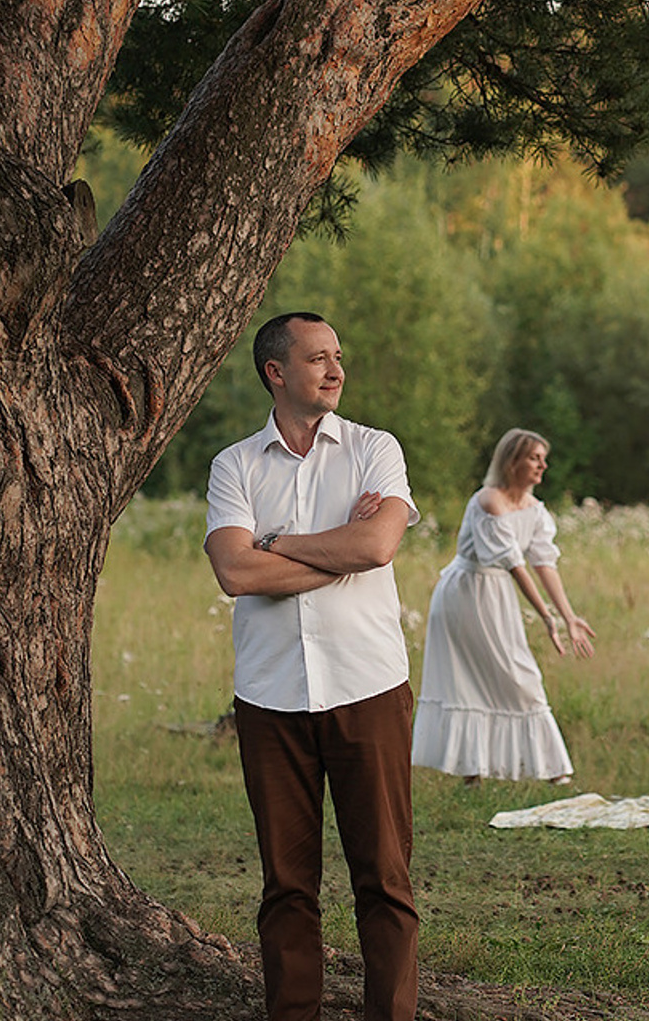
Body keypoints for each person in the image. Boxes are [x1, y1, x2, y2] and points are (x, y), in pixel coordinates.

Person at [204, 311, 420, 1021]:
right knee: (287, 886)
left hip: (368, 688)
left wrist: (279, 543)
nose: (336, 369)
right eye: (318, 358)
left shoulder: (374, 449)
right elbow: (235, 572)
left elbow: (377, 548)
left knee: (384, 878)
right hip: (270, 698)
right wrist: (335, 549)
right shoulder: (234, 465)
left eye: (337, 356)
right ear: (276, 372)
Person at [412, 428, 594, 785]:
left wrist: (568, 616)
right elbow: (514, 564)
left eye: (543, 458)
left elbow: (544, 563)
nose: (543, 465)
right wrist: (546, 617)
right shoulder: (489, 500)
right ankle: (474, 771)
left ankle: (550, 771)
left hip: (495, 596)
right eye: (534, 457)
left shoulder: (535, 510)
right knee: (470, 678)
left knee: (517, 673)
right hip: (465, 593)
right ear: (512, 461)